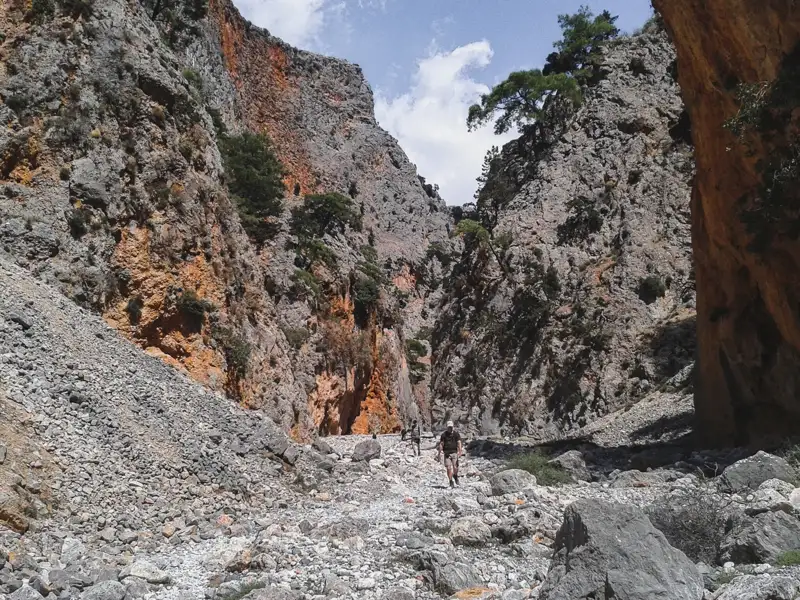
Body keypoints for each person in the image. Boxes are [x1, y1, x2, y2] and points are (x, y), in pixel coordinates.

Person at [437, 420, 462, 488]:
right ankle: (450, 481)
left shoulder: (456, 434)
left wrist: (460, 451)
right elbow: (441, 444)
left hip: (454, 452)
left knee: (455, 467)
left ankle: (455, 476)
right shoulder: (444, 435)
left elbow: (459, 442)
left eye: (451, 427)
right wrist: (439, 453)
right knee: (448, 467)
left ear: (453, 427)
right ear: (447, 427)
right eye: (449, 427)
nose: (450, 428)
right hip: (447, 453)